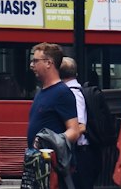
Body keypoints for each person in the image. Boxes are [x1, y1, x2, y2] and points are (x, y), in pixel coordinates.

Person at [23, 43, 82, 189]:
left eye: (35, 61)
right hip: (38, 166)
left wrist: (48, 141)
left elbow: (74, 131)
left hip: (52, 169)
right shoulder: (40, 92)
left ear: (49, 63)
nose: (32, 65)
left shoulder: (62, 93)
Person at [59, 56, 100, 189]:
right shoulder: (69, 92)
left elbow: (80, 127)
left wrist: (57, 140)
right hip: (80, 154)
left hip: (81, 155)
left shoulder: (73, 94)